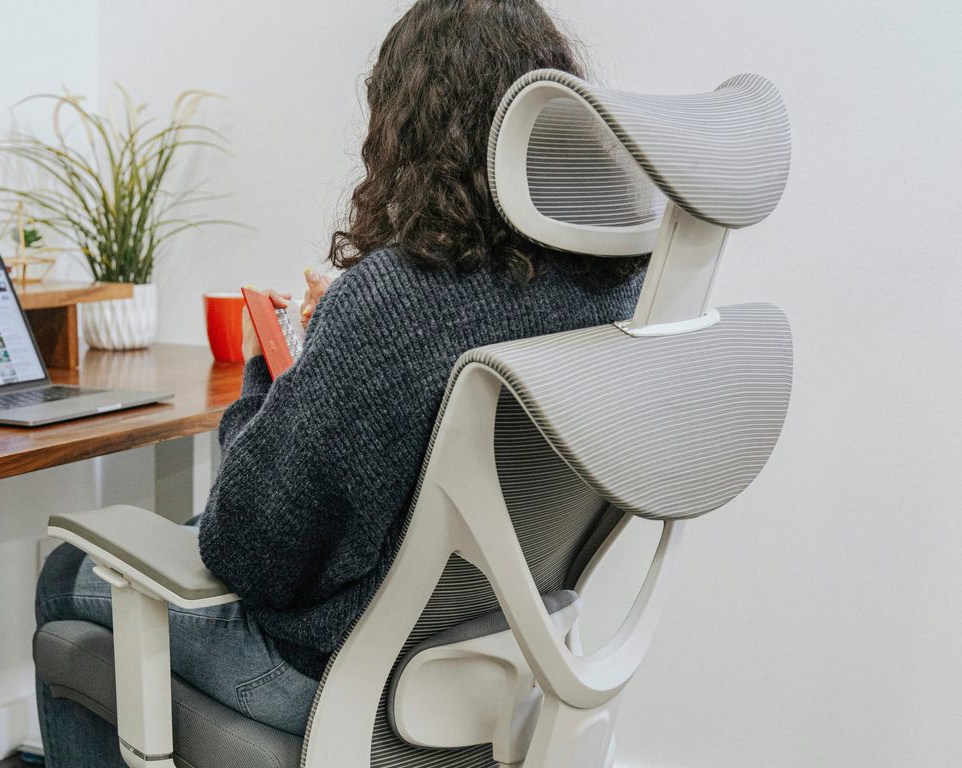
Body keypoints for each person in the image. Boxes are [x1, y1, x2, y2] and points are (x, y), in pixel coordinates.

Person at [35, 0, 648, 761]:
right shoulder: (612, 286)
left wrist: (283, 356)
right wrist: (341, 343)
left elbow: (247, 550)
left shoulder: (397, 298)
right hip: (502, 654)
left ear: (409, 131)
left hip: (338, 674)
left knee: (67, 575)